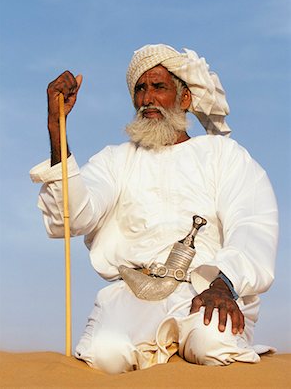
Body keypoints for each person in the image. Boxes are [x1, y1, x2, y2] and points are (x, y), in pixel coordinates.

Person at [30, 44, 278, 374]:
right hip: (134, 296)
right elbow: (73, 216)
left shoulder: (224, 155)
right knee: (106, 354)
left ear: (185, 98)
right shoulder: (115, 160)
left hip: (205, 292)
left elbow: (252, 223)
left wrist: (224, 284)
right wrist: (55, 127)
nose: (148, 98)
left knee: (214, 344)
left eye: (159, 87)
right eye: (140, 89)